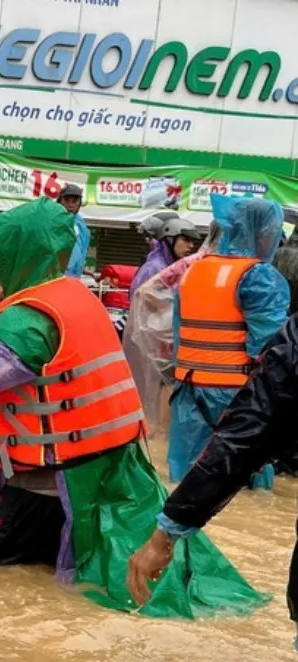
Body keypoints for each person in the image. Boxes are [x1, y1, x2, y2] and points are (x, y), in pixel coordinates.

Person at [0, 198, 265, 617]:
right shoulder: (72, 295)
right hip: (100, 467)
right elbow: (21, 383)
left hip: (46, 480)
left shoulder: (29, 318)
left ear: (22, 252)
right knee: (52, 588)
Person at [127, 315, 298, 618]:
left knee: (184, 468)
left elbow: (247, 437)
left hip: (199, 392)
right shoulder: (261, 281)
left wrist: (168, 530)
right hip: (221, 391)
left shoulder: (195, 276)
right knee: (257, 487)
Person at [167, 196, 288, 490]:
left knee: (184, 484)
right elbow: (272, 347)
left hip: (188, 394)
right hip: (239, 397)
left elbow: (178, 332)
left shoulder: (194, 271)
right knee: (248, 486)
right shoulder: (258, 277)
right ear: (261, 233)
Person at [123, 216, 200, 435]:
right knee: (158, 386)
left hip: (163, 340)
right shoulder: (153, 268)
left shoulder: (172, 268)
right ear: (169, 239)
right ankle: (155, 432)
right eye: (185, 240)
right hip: (149, 341)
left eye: (192, 242)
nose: (190, 246)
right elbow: (141, 299)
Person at [58, 184, 92, 278]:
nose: (70, 204)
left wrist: (83, 269)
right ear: (60, 201)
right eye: (67, 200)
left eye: (74, 201)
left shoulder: (82, 226)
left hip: (74, 279)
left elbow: (80, 251)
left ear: (79, 203)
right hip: (54, 278)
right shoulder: (52, 221)